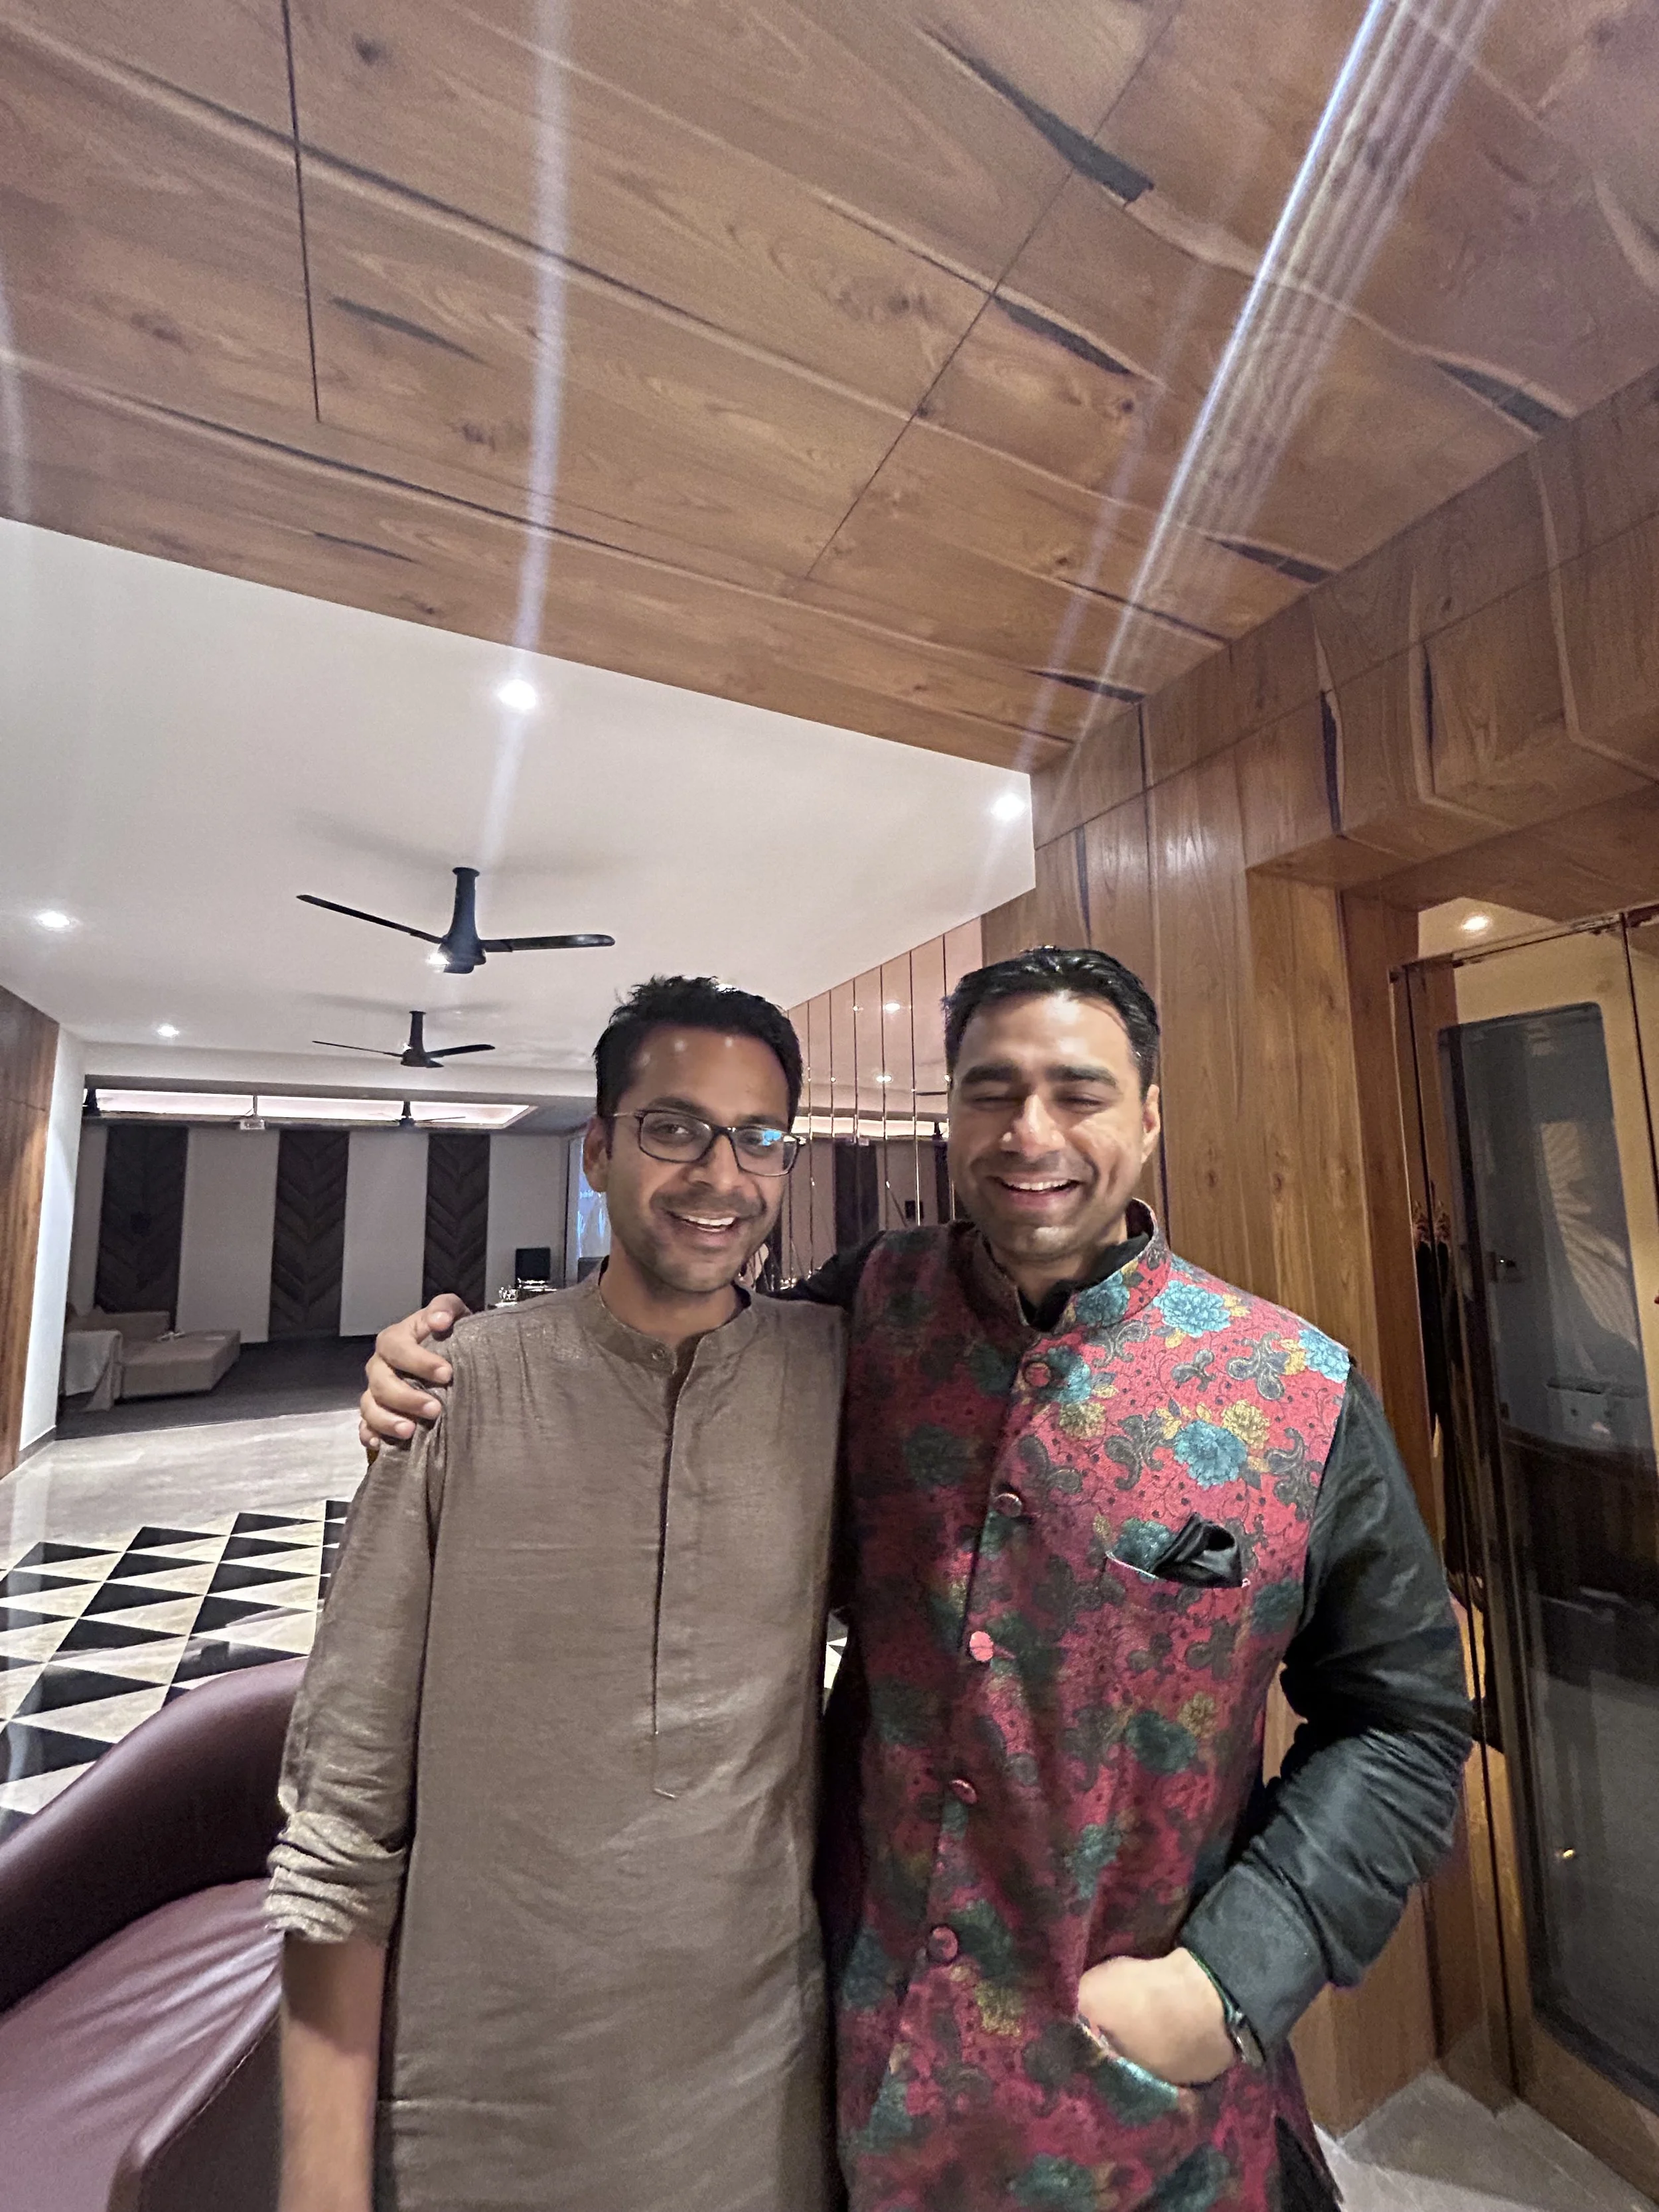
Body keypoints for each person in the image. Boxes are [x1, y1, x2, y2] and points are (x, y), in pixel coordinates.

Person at [362, 946, 1471, 2212]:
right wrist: (462, 1369)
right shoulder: (861, 1316)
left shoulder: (1294, 1393)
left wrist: (1232, 1978)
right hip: (838, 2070)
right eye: (991, 1092)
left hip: (1136, 2119)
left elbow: (1404, 1720)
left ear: (1152, 1118)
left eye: (1079, 1092)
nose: (1030, 1132)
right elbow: (673, 1368)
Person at [268, 977, 846, 2212]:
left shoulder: (835, 1381)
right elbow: (340, 1819)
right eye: (674, 1126)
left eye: (760, 1137)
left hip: (765, 2108)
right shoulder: (455, 1389)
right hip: (480, 2114)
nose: (720, 1175)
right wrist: (320, 2184)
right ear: (597, 1148)